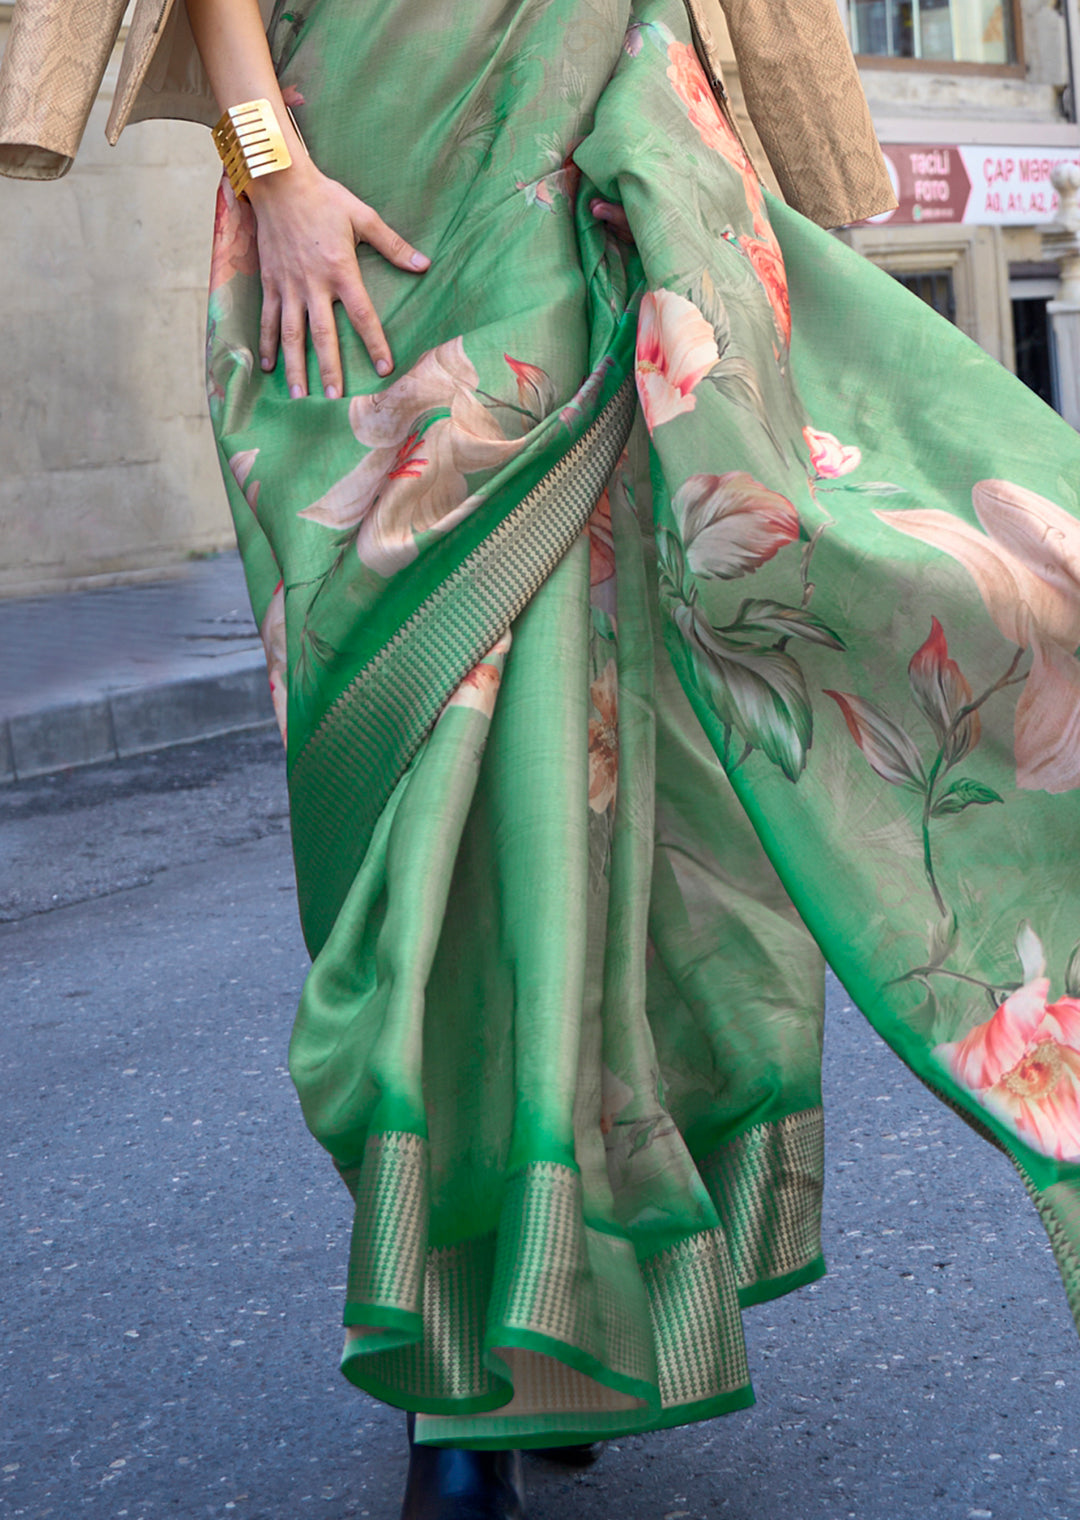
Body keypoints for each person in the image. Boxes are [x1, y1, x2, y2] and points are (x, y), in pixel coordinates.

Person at [4, 1, 1080, 1516]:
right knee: (404, 793)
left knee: (598, 760)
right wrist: (270, 166)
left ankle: (528, 1330)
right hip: (370, 162)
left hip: (595, 126)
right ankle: (489, 1325)